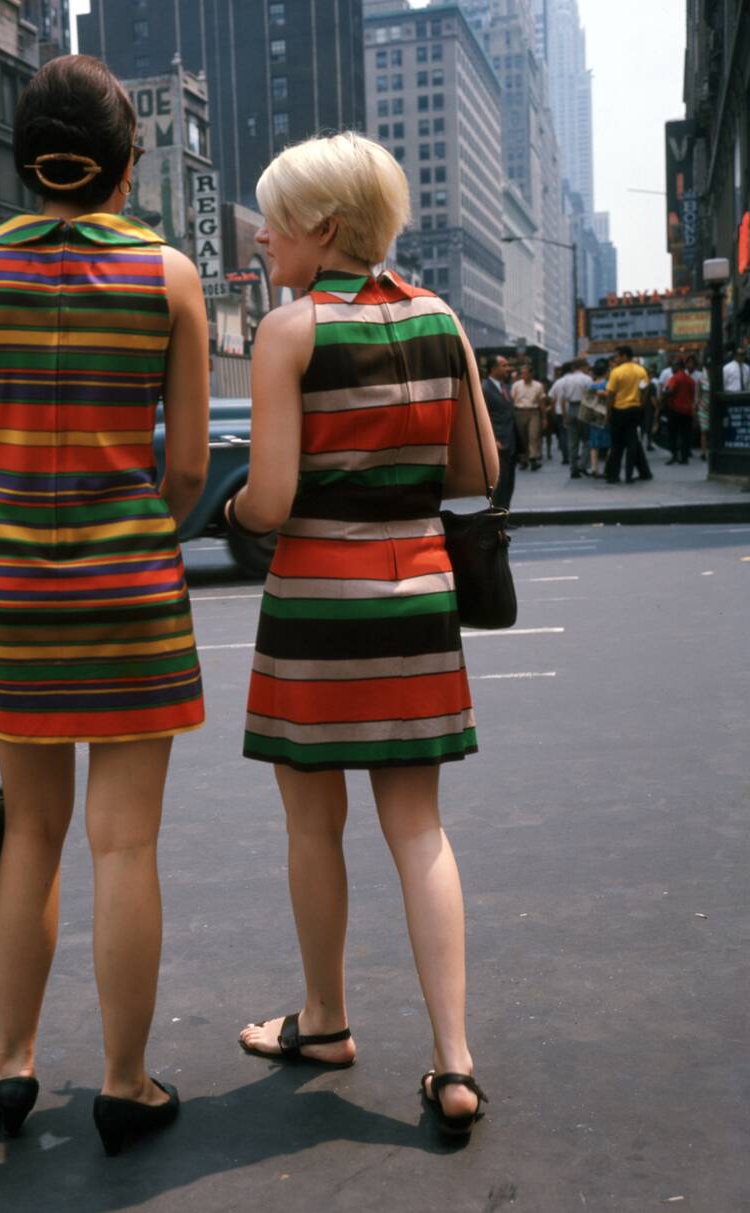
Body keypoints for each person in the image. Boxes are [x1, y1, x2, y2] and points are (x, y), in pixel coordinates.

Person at [0, 54, 209, 1156]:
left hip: (9, 586)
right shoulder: (170, 277)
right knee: (125, 843)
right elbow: (187, 469)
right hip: (131, 588)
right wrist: (137, 532)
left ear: (22, 159)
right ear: (126, 164)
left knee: (31, 833)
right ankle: (125, 1082)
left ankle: (9, 1060)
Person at [227, 131, 496, 1143]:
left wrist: (235, 510)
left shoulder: (288, 332)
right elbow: (476, 474)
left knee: (313, 825)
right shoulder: (440, 319)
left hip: (316, 603)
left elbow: (270, 500)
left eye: (275, 221)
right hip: (418, 595)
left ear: (324, 228)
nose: (261, 237)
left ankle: (327, 1019)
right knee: (419, 830)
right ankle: (455, 1060)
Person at [601, 346, 652, 484]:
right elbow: (645, 389)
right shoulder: (641, 370)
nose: (615, 359)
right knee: (632, 442)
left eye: (617, 356)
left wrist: (608, 412)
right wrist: (641, 404)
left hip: (619, 410)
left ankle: (613, 475)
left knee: (617, 444)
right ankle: (631, 475)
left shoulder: (616, 372)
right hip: (635, 410)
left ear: (624, 356)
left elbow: (611, 394)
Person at [482, 354, 517, 509]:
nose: (508, 369)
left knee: (508, 482)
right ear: (493, 369)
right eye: (504, 365)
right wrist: (492, 439)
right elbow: (483, 417)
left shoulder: (504, 387)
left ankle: (504, 514)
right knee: (500, 483)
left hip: (510, 441)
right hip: (498, 442)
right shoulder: (484, 388)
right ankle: (496, 517)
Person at [549, 359, 593, 478]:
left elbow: (562, 400)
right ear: (583, 367)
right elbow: (591, 397)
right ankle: (582, 464)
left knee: (573, 441)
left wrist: (564, 416)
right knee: (588, 439)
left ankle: (573, 468)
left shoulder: (566, 380)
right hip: (584, 406)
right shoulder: (587, 379)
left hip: (571, 408)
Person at [662, 359, 696, 465]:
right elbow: (693, 394)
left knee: (672, 433)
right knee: (685, 434)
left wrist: (665, 394)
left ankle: (675, 455)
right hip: (687, 411)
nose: (672, 368)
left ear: (679, 366)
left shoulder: (675, 378)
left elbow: (671, 390)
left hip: (675, 409)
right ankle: (684, 457)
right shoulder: (690, 379)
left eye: (673, 366)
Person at [511, 363, 545, 470]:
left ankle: (533, 458)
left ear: (531, 374)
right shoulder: (516, 385)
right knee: (522, 437)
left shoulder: (538, 386)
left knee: (533, 435)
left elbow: (541, 402)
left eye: (525, 373)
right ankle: (524, 459)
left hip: (533, 412)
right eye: (522, 373)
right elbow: (512, 399)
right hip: (519, 412)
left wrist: (544, 418)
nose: (523, 376)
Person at [584, 362, 611, 478]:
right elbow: (611, 399)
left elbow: (587, 402)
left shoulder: (591, 385)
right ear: (606, 372)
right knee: (609, 443)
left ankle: (594, 468)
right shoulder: (608, 384)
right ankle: (608, 468)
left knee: (594, 444)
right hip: (606, 415)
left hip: (594, 415)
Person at [688, 355, 710, 461]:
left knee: (712, 431)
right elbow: (697, 396)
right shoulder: (701, 380)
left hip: (714, 408)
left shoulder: (717, 379)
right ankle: (703, 452)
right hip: (703, 408)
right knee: (704, 431)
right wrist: (695, 410)